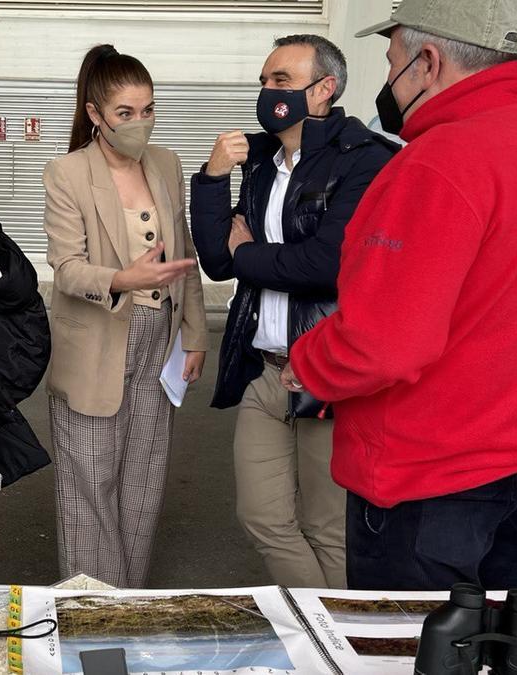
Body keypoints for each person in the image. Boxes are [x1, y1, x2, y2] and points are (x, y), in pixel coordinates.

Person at [283, 0, 517, 592]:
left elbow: (383, 343)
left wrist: (308, 363)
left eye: (391, 58)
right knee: (478, 645)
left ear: (427, 62)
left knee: (408, 651)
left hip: (429, 478)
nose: (388, 79)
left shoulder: (438, 162)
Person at [189, 35, 396, 589]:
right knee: (262, 517)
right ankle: (323, 625)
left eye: (281, 80)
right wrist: (211, 178)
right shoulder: (262, 162)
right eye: (263, 80)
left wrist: (247, 252)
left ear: (324, 89)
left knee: (327, 528)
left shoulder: (365, 160)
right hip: (265, 370)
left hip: (328, 373)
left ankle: (337, 646)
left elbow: (326, 265)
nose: (267, 91)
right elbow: (215, 259)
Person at [43, 45, 208, 588]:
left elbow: (185, 255)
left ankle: (129, 604)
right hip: (97, 338)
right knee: (89, 482)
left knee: (143, 478)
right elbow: (66, 270)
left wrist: (195, 334)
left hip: (159, 338)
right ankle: (94, 611)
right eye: (125, 113)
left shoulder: (165, 163)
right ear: (95, 114)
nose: (141, 124)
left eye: (149, 110)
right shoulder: (67, 172)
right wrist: (121, 279)